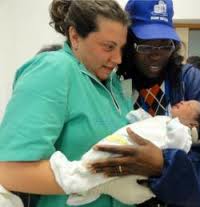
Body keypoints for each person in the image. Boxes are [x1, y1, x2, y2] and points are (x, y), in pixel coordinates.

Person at [89, 0, 200, 206]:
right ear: (128, 42)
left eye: (165, 44)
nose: (156, 53)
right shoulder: (114, 85)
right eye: (145, 45)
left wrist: (164, 164)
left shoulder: (196, 85)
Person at [0, 1, 132, 207]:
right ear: (75, 36)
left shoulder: (114, 84)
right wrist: (97, 183)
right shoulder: (54, 70)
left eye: (121, 48)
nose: (118, 58)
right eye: (108, 47)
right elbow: (9, 171)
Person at [48, 100, 200, 206]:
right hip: (130, 177)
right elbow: (146, 124)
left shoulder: (182, 131)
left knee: (101, 159)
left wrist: (183, 130)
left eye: (189, 105)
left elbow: (175, 150)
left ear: (194, 124)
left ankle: (72, 178)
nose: (183, 102)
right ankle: (88, 190)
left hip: (133, 170)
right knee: (102, 167)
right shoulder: (165, 120)